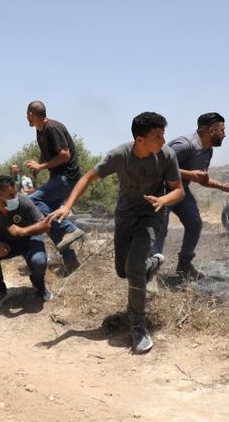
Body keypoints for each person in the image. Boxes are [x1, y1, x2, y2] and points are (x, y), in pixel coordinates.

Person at [47, 112, 184, 354]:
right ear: (140, 139)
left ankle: (138, 326)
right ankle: (152, 263)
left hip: (151, 214)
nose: (163, 141)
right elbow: (88, 177)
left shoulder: (166, 156)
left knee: (133, 267)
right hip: (124, 216)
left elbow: (178, 191)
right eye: (157, 136)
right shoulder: (120, 155)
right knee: (123, 271)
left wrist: (163, 199)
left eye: (163, 135)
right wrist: (67, 206)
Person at [153, 112, 229, 280]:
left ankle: (184, 265)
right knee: (160, 230)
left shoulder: (207, 151)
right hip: (161, 190)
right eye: (222, 130)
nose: (225, 134)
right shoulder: (185, 145)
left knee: (195, 224)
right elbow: (157, 166)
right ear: (211, 130)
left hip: (181, 191)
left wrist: (223, 186)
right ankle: (150, 272)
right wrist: (189, 174)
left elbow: (201, 178)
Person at [24, 100, 85, 272]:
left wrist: (41, 167)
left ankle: (70, 228)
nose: (26, 118)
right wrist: (39, 165)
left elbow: (64, 155)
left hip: (68, 178)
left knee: (31, 201)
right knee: (48, 221)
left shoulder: (52, 127)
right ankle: (71, 262)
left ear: (31, 114)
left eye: (26, 115)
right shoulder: (40, 131)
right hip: (58, 178)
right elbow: (46, 154)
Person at [0, 175, 52, 309]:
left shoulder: (24, 202)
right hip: (7, 242)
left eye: (15, 193)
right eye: (11, 195)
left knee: (39, 261)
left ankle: (39, 284)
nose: (15, 197)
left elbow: (45, 225)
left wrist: (23, 231)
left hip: (30, 238)